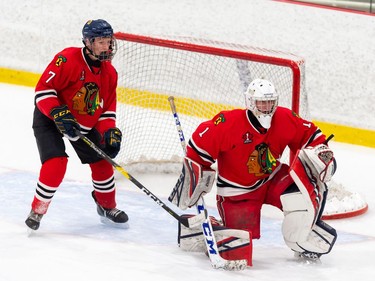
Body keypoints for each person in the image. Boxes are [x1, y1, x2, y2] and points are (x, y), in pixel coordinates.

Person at [169, 78, 337, 263]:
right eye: (261, 102)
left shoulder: (284, 118)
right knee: (238, 252)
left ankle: (301, 238)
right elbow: (199, 146)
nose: (266, 107)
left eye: (270, 102)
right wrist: (196, 173)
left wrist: (321, 153)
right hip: (237, 192)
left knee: (298, 198)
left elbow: (310, 135)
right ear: (250, 102)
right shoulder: (229, 123)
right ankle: (205, 230)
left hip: (272, 178)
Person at [25, 19, 128, 231]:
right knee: (56, 163)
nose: (106, 46)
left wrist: (109, 131)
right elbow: (43, 90)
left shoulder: (110, 73)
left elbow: (106, 110)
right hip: (51, 116)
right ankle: (38, 210)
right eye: (100, 41)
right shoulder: (68, 59)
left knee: (103, 163)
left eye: (108, 41)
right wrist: (57, 111)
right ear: (88, 42)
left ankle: (106, 206)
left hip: (82, 122)